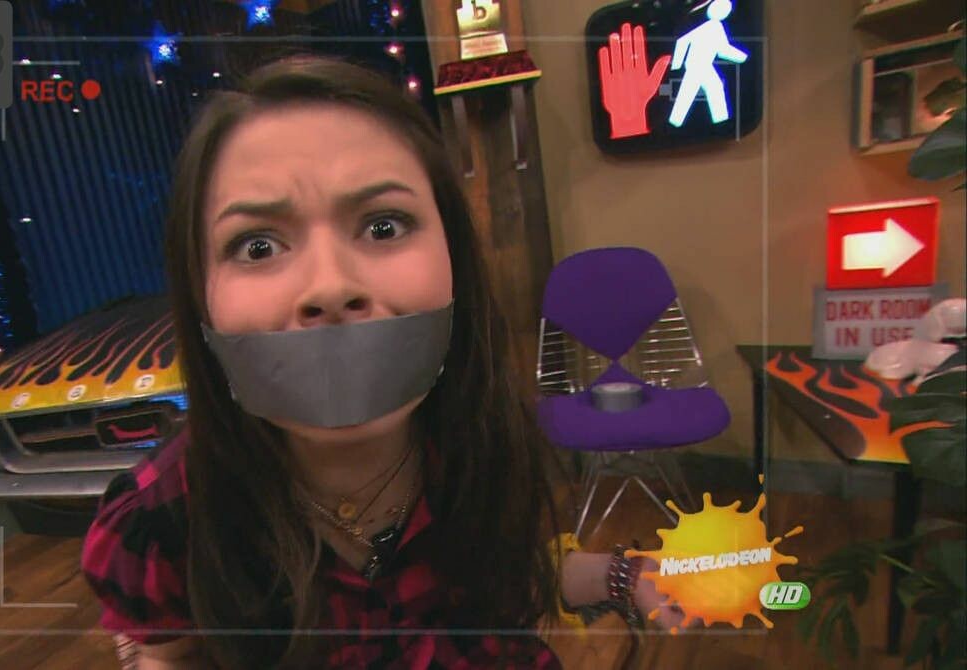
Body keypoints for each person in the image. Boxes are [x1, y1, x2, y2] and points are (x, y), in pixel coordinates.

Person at [81, 55, 680, 669]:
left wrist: (620, 575)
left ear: (454, 261)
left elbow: (496, 581)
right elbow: (170, 657)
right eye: (257, 245)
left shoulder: (482, 434)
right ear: (201, 298)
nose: (330, 285)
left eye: (384, 226)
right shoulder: (161, 519)